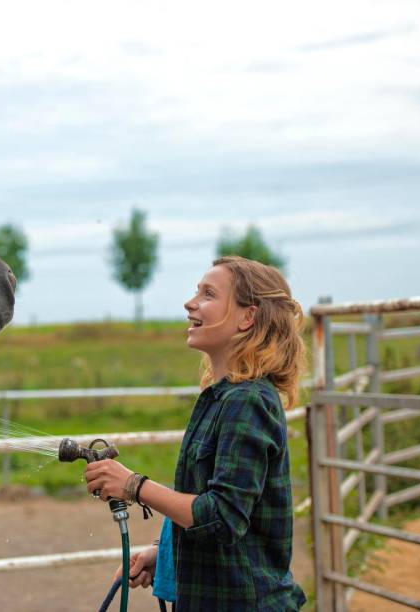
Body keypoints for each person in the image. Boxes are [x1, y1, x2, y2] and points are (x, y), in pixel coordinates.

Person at [84, 255, 307, 611]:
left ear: (247, 317)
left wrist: (133, 486)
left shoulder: (248, 401)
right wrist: (165, 553)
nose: (190, 303)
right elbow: (208, 499)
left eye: (208, 294)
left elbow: (222, 516)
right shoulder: (220, 398)